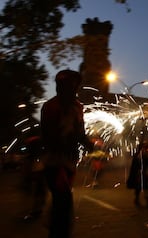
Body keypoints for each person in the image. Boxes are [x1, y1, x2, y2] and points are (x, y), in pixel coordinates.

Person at [40, 69, 93, 238]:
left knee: (62, 202)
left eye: (74, 86)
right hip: (54, 162)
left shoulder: (78, 107)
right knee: (63, 202)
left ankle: (57, 228)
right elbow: (47, 136)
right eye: (68, 86)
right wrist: (61, 150)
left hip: (69, 162)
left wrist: (88, 144)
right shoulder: (50, 107)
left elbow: (80, 132)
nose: (73, 89)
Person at [22, 135, 48, 221]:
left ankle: (36, 210)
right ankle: (38, 208)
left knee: (38, 192)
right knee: (39, 191)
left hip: (38, 174)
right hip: (39, 174)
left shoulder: (35, 155)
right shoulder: (40, 153)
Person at [127, 141, 148, 208]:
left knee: (147, 187)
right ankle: (137, 199)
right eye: (144, 146)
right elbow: (136, 164)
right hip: (139, 173)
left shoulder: (147, 153)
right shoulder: (138, 154)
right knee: (138, 187)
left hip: (146, 173)